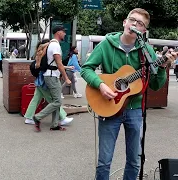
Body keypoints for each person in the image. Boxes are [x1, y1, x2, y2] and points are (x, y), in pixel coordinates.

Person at [80, 8, 177, 180]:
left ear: (143, 31)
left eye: (140, 23)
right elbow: (86, 69)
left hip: (135, 110)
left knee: (134, 161)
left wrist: (162, 67)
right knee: (104, 161)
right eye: (132, 20)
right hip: (109, 107)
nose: (134, 24)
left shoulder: (146, 50)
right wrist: (101, 85)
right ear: (125, 22)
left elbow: (154, 85)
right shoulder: (106, 45)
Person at [24, 39, 73, 126]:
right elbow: (50, 66)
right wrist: (66, 68)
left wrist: (67, 67)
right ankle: (62, 118)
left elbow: (53, 65)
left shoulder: (40, 54)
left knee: (36, 99)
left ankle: (29, 117)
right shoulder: (43, 55)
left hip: (40, 81)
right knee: (54, 100)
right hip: (43, 81)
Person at [32, 26, 71, 132]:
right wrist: (66, 78)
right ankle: (38, 117)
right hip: (51, 76)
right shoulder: (55, 45)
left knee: (56, 100)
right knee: (58, 101)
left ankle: (54, 125)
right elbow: (59, 63)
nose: (65, 34)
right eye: (63, 32)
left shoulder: (52, 44)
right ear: (58, 33)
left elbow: (57, 63)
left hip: (51, 75)